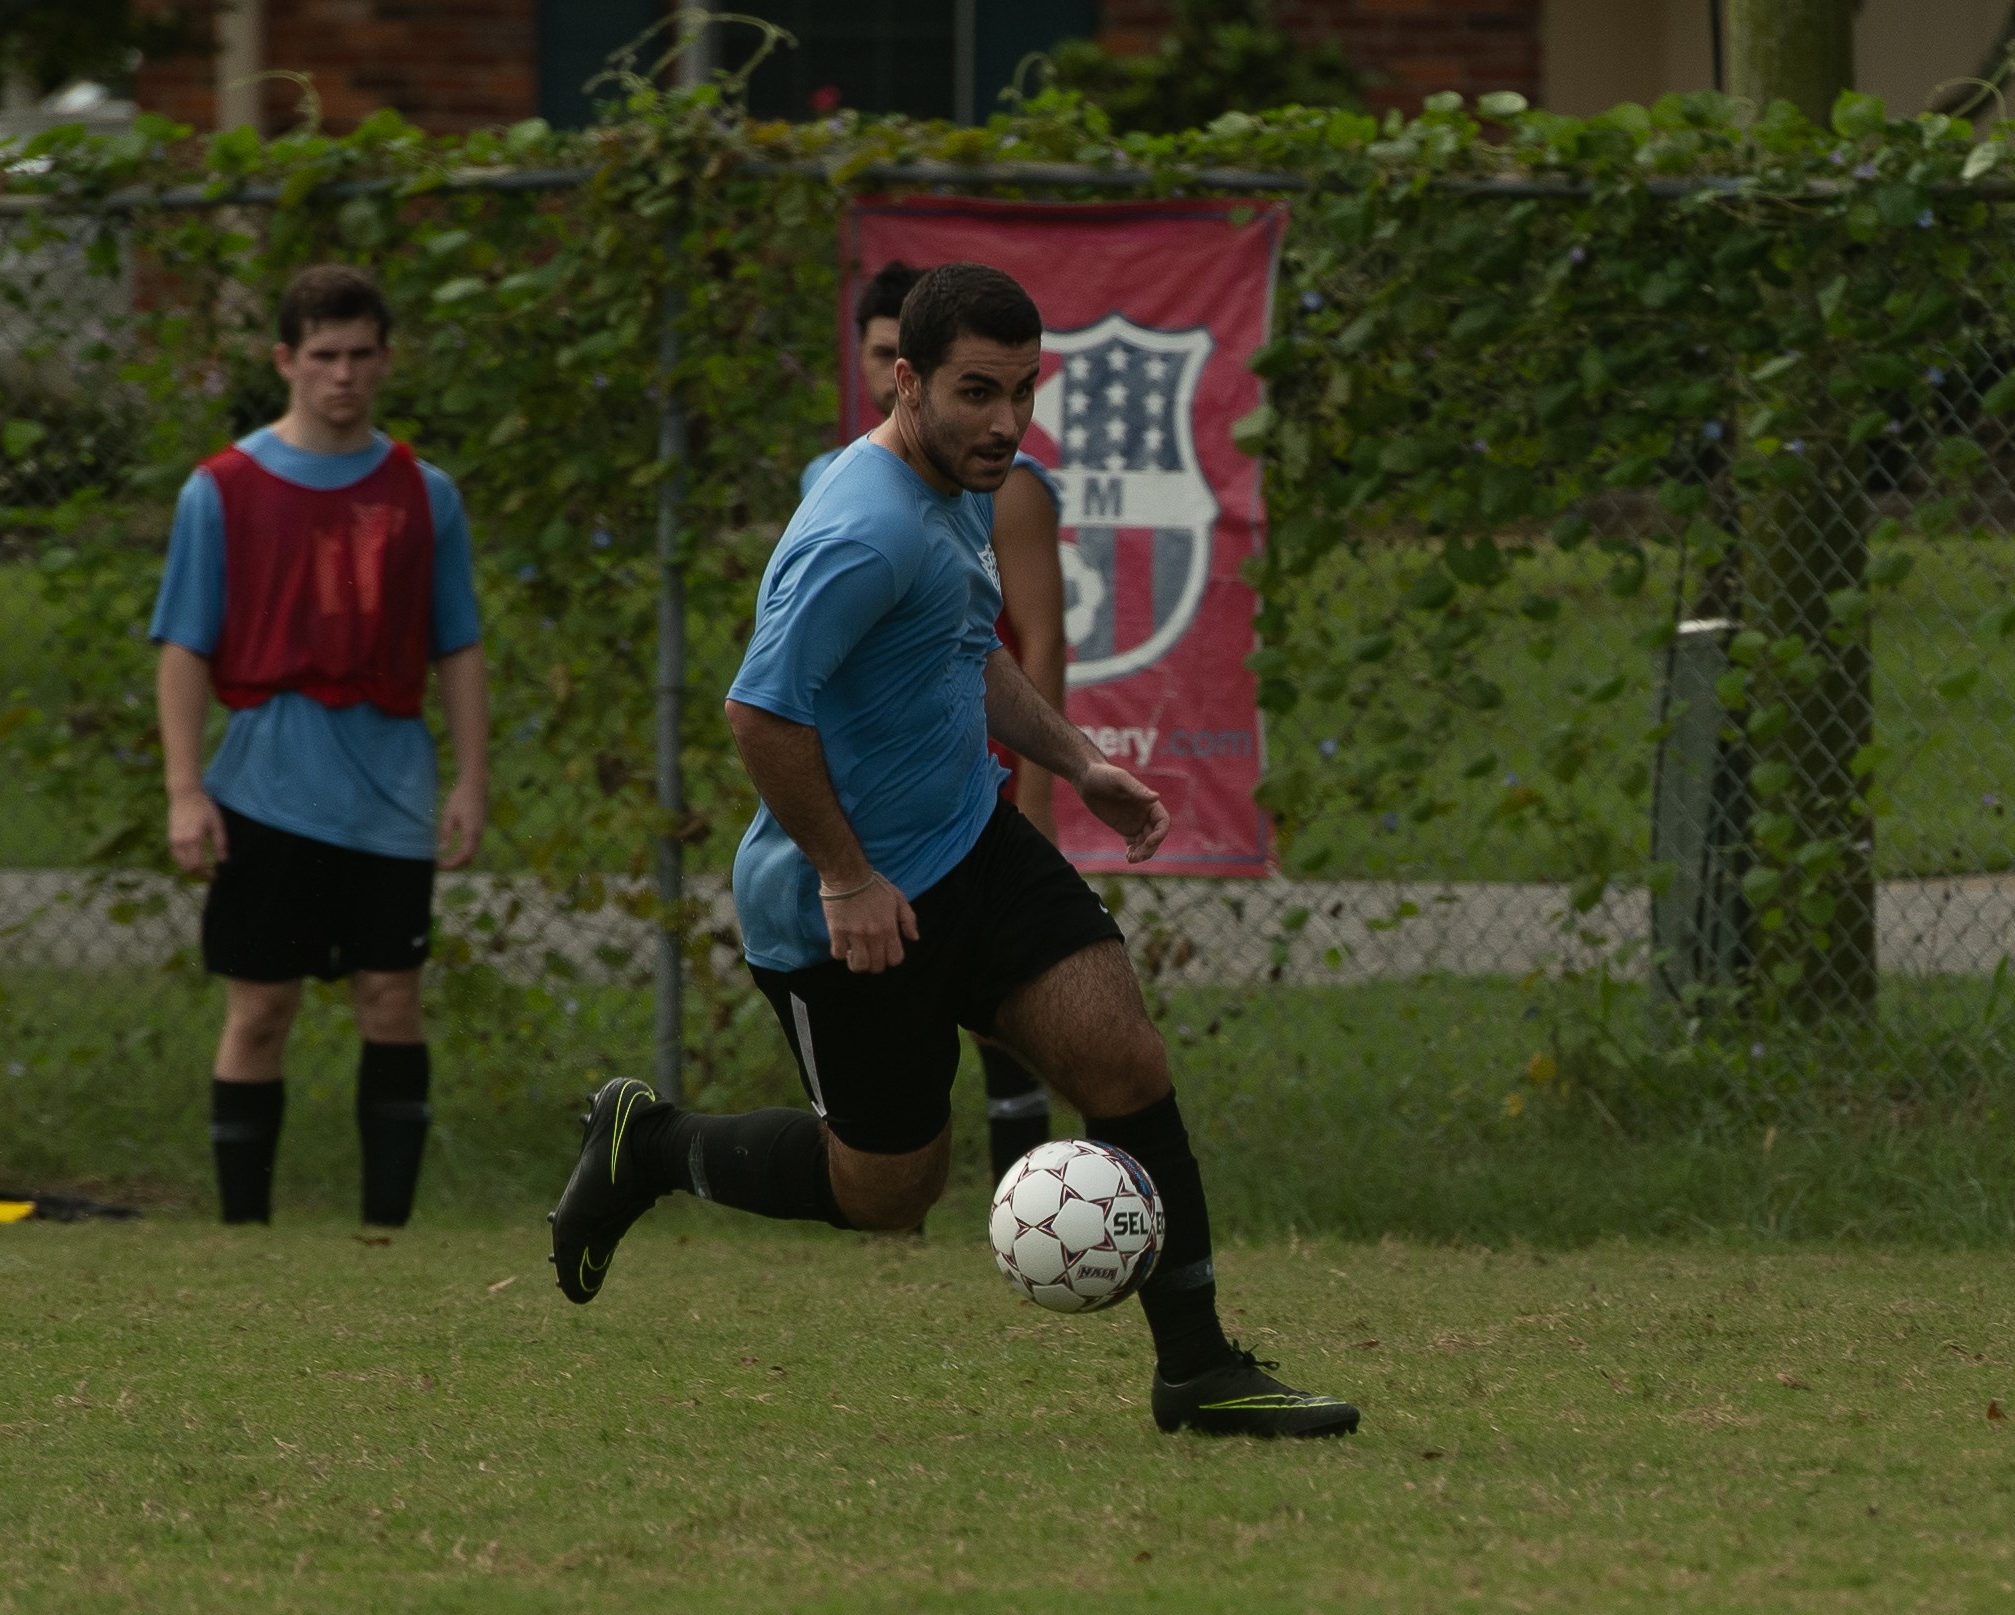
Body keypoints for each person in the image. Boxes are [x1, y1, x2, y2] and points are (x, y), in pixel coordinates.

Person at [548, 263, 1356, 1439]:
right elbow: (760, 714)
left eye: (1024, 391)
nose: (1004, 422)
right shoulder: (859, 528)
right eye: (977, 391)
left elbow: (964, 648)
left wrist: (1077, 761)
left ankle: (1197, 1365)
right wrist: (847, 875)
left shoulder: (968, 487)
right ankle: (651, 1145)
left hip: (971, 843)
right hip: (844, 904)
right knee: (887, 1189)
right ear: (905, 378)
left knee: (1124, 1062)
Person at [152, 264, 488, 1229]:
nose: (343, 374)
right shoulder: (219, 491)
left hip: (389, 789)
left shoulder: (427, 495)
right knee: (260, 1008)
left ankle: (387, 1230)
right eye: (324, 356)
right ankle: (244, 1233)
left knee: (391, 997)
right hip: (261, 787)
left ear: (386, 360)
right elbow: (183, 648)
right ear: (285, 362)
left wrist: (470, 781)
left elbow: (458, 645)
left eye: (361, 355)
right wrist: (185, 789)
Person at [805, 261, 1071, 1186]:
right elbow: (779, 695)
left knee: (1020, 1025)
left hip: (981, 784)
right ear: (890, 370)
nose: (887, 376)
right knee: (893, 1138)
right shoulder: (847, 492)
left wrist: (1045, 788)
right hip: (877, 820)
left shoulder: (1006, 485)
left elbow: (1031, 642)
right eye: (878, 357)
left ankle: (1028, 1206)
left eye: (1018, 388)